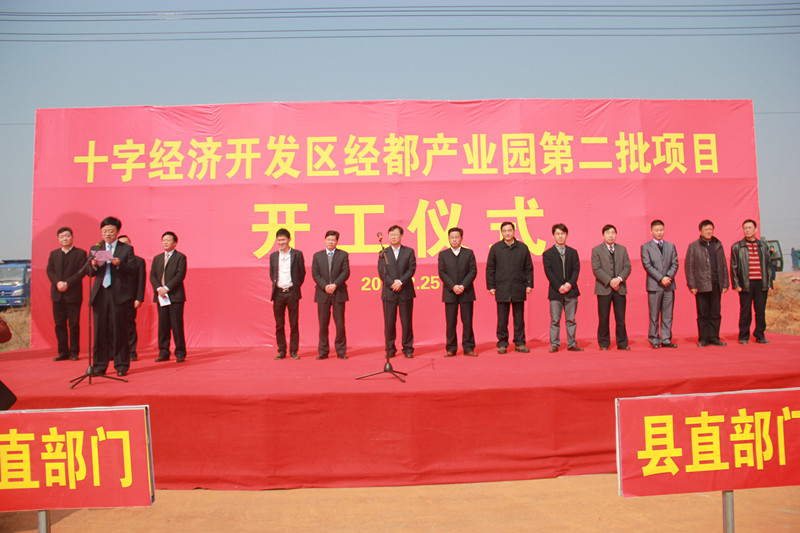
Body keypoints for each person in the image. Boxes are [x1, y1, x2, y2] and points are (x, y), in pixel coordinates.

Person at [88, 216, 136, 376]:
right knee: (99, 331)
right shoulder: (96, 247)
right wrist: (93, 265)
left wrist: (119, 264)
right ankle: (99, 366)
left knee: (119, 330)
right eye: (104, 231)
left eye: (110, 231)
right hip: (100, 293)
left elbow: (132, 269)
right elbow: (89, 272)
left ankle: (121, 365)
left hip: (118, 294)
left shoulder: (126, 249)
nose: (107, 234)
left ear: (118, 232)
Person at [486, 221, 533, 353]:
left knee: (519, 319)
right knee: (502, 320)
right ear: (501, 232)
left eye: (509, 230)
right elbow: (490, 268)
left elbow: (529, 268)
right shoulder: (496, 248)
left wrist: (529, 284)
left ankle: (520, 343)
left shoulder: (522, 248)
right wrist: (491, 286)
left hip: (519, 287)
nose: (507, 233)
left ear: (514, 231)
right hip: (502, 288)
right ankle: (502, 343)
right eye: (504, 231)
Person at [685, 219, 729, 347]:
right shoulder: (694, 246)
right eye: (706, 229)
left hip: (716, 283)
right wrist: (692, 285)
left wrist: (725, 283)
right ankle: (703, 338)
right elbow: (689, 266)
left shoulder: (718, 244)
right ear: (700, 231)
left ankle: (714, 337)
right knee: (703, 313)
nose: (709, 232)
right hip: (701, 284)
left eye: (711, 229)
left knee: (716, 313)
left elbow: (723, 265)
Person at [46, 226, 87, 361]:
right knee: (59, 324)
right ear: (58, 239)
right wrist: (58, 282)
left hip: (73, 294)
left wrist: (67, 283)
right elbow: (50, 271)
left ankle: (74, 352)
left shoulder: (80, 253)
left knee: (74, 325)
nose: (65, 239)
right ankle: (63, 352)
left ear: (72, 237)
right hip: (57, 294)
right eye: (62, 237)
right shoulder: (54, 254)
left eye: (67, 236)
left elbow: (81, 272)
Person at [730, 219, 772, 344]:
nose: (747, 230)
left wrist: (769, 283)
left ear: (755, 229)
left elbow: (769, 266)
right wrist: (736, 284)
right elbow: (733, 267)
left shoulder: (763, 246)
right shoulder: (737, 247)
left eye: (749, 228)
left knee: (760, 311)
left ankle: (760, 334)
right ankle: (743, 336)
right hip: (745, 283)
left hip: (761, 283)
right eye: (745, 228)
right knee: (745, 311)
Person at [542, 223, 582, 353]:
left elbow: (576, 270)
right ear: (553, 236)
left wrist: (569, 284)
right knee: (555, 320)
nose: (560, 236)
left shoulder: (573, 252)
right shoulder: (548, 254)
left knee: (571, 320)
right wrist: (559, 286)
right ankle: (554, 343)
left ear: (566, 235)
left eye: (562, 234)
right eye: (557, 234)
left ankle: (572, 343)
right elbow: (549, 273)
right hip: (555, 291)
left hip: (571, 291)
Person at [437, 227, 478, 357]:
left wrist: (463, 286)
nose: (454, 239)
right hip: (450, 292)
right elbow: (442, 272)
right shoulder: (443, 254)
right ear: (448, 239)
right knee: (451, 322)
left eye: (457, 237)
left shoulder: (469, 253)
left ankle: (468, 347)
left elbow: (473, 271)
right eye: (452, 237)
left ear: (461, 238)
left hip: (466, 292)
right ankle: (451, 348)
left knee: (467, 321)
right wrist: (453, 286)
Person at [591, 224, 631, 351]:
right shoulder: (596, 250)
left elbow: (627, 267)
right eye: (608, 233)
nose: (611, 235)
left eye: (613, 233)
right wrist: (610, 281)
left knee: (621, 318)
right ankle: (604, 343)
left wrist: (619, 279)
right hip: (604, 289)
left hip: (620, 288)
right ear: (603, 235)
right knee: (603, 318)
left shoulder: (622, 249)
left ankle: (622, 343)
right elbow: (596, 269)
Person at [640, 220, 679, 349]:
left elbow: (675, 264)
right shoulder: (646, 247)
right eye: (656, 230)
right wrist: (661, 278)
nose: (659, 232)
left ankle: (666, 338)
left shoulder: (671, 246)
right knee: (654, 314)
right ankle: (654, 338)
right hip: (654, 286)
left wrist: (668, 277)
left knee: (668, 314)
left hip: (669, 285)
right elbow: (647, 265)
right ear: (651, 231)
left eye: (661, 230)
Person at [379, 225, 416, 358]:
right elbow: (381, 272)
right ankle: (390, 349)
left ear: (401, 236)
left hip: (405, 291)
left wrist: (400, 282)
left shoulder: (409, 251)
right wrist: (392, 283)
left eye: (395, 235)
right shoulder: (383, 252)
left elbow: (411, 269)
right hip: (389, 293)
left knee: (406, 322)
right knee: (389, 323)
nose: (393, 237)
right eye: (391, 235)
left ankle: (408, 348)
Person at [311, 230, 350, 359]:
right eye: (328, 239)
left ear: (337, 241)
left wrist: (335, 285)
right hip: (322, 293)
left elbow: (346, 272)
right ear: (325, 240)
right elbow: (315, 273)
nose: (330, 242)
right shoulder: (317, 256)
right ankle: (323, 351)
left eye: (333, 240)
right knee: (323, 324)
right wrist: (325, 286)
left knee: (340, 324)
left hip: (338, 292)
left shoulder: (343, 255)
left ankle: (341, 351)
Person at [150, 231, 187, 362]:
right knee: (163, 325)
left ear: (175, 243)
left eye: (168, 240)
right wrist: (159, 289)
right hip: (161, 296)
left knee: (176, 325)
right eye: (163, 240)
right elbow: (153, 275)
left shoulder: (180, 257)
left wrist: (167, 288)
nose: (165, 242)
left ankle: (180, 353)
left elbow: (180, 275)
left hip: (175, 296)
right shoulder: (157, 258)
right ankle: (163, 352)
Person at [270, 228, 305, 360]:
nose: (281, 242)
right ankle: (281, 350)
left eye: (283, 239)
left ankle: (294, 351)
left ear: (289, 240)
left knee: (294, 324)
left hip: (292, 293)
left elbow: (301, 273)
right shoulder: (274, 256)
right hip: (278, 293)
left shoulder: (297, 254)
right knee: (279, 324)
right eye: (279, 240)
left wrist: (295, 286)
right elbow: (272, 274)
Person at [118, 235, 146, 361]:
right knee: (114, 325)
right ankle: (116, 351)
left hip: (131, 298)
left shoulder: (138, 261)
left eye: (126, 243)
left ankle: (131, 351)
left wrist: (139, 298)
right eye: (121, 244)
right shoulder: (113, 261)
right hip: (115, 298)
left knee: (129, 324)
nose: (124, 245)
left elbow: (141, 281)